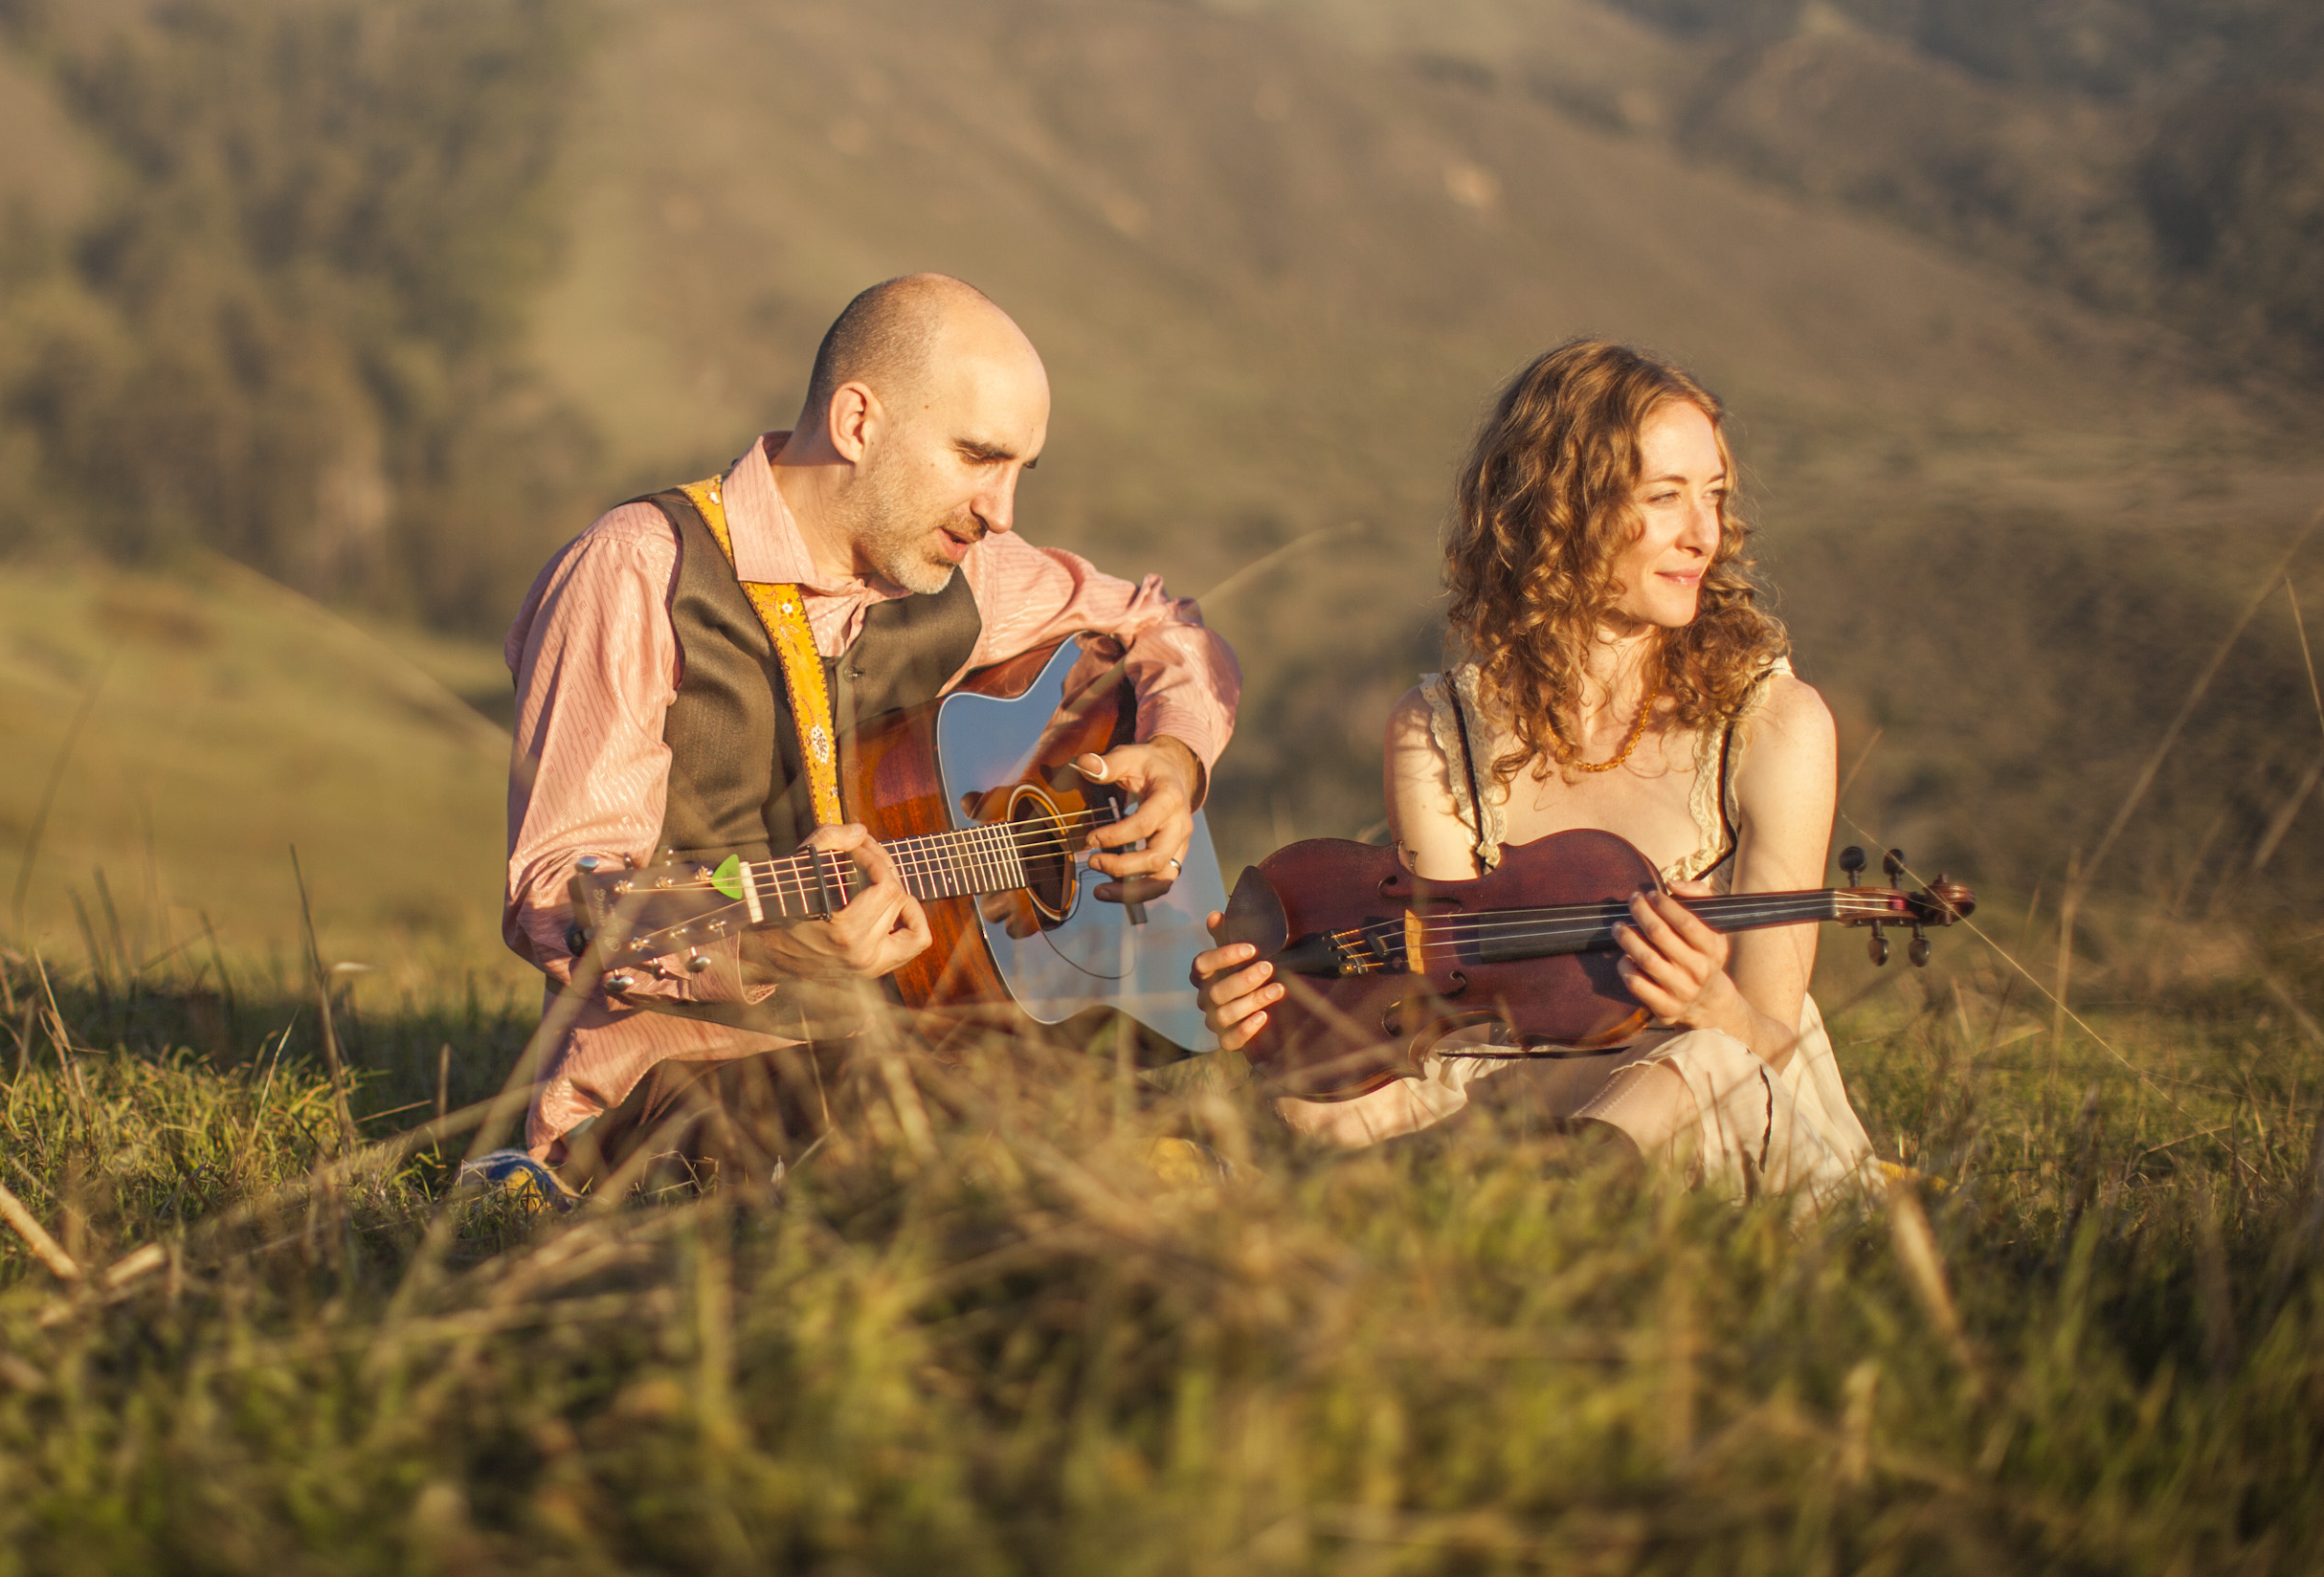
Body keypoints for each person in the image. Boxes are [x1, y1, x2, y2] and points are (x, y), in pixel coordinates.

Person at [488, 274, 1239, 1195]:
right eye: (977, 458)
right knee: (1075, 1172)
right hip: (683, 1083)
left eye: (1017, 472)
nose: (1001, 511)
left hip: (934, 1046)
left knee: (1168, 1162)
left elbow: (1167, 627)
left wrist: (1175, 757)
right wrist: (764, 949)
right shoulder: (638, 570)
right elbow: (559, 899)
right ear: (856, 422)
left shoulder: (975, 574)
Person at [1192, 340, 1878, 1205]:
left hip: (1692, 1082)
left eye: (1712, 497)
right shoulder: (1441, 728)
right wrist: (1276, 1001)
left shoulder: (1775, 724)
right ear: (1561, 511)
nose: (1704, 534)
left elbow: (1770, 1040)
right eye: (1664, 499)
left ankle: (1525, 1200)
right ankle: (1511, 1196)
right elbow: (1434, 997)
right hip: (1504, 1083)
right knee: (1302, 1103)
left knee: (1702, 1064)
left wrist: (1715, 1004)